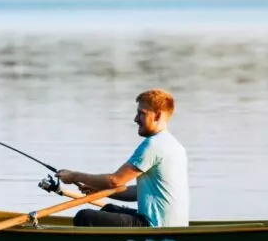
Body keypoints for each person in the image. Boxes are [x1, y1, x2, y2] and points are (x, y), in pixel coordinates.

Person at [57, 89, 189, 228]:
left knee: (84, 217)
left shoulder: (153, 145)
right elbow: (138, 192)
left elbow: (115, 181)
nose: (136, 119)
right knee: (109, 209)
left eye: (141, 113)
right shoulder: (174, 146)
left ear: (157, 115)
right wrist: (98, 190)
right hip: (172, 224)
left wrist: (74, 176)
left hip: (155, 226)